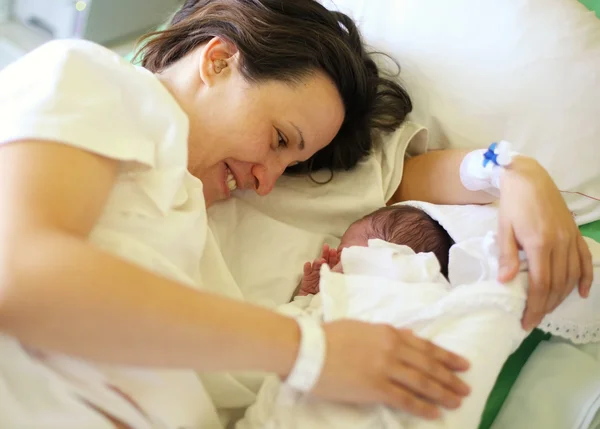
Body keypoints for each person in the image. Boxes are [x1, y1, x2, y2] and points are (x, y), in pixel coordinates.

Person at [0, 0, 592, 427]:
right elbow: (21, 278)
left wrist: (511, 169)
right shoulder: (90, 78)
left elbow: (393, 181)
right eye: (280, 139)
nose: (266, 182)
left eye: (292, 164)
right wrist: (312, 351)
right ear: (218, 62)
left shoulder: (200, 198)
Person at [297, 205, 454, 297]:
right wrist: (310, 293)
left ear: (382, 248)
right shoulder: (345, 290)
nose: (337, 257)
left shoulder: (411, 280)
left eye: (343, 248)